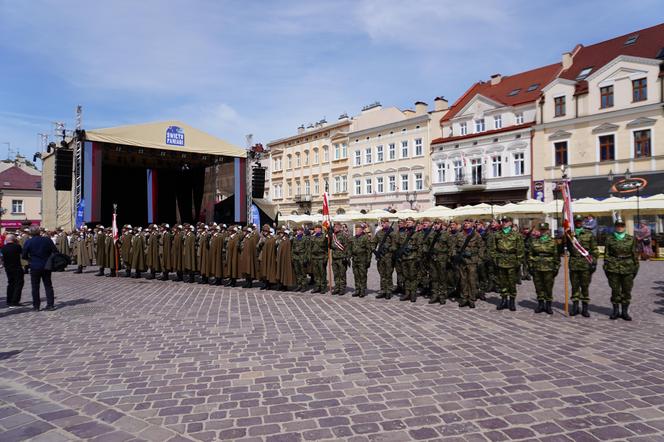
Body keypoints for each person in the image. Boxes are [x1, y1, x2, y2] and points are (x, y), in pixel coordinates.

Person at [604, 219, 639, 321]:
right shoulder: (609, 239)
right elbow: (607, 255)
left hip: (628, 267)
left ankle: (624, 312)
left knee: (627, 291)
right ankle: (615, 311)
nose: (620, 227)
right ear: (615, 226)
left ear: (625, 227)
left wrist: (635, 268)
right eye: (618, 225)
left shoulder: (631, 239)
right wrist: (607, 266)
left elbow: (634, 255)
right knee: (615, 290)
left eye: (622, 225)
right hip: (613, 267)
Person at [489, 216, 524, 311]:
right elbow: (493, 249)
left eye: (506, 221)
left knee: (512, 282)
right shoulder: (497, 234)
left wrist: (518, 261)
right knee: (502, 282)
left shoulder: (517, 235)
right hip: (501, 260)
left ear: (510, 223)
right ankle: (504, 300)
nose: (504, 223)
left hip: (512, 261)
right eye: (503, 221)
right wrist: (495, 259)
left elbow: (520, 249)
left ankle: (512, 301)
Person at [568, 214, 599, 317]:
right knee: (574, 286)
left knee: (585, 286)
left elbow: (594, 250)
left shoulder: (589, 234)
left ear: (582, 222)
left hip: (585, 264)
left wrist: (594, 262)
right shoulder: (569, 235)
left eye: (580, 221)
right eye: (576, 221)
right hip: (573, 264)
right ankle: (575, 307)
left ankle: (585, 308)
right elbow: (564, 247)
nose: (578, 223)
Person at [22, 226, 58, 311]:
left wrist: (30, 260)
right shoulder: (47, 240)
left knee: (35, 287)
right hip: (46, 265)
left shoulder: (29, 242)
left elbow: (24, 255)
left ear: (30, 233)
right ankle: (50, 305)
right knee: (48, 285)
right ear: (39, 232)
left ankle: (36, 306)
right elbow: (55, 251)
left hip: (34, 265)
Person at [528, 223, 559, 314]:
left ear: (548, 230)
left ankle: (548, 305)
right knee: (538, 286)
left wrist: (556, 267)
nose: (543, 232)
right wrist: (530, 266)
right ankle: (541, 304)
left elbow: (556, 255)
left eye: (545, 230)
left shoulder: (553, 241)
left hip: (549, 267)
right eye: (541, 230)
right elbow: (530, 254)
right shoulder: (534, 241)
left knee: (548, 287)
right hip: (537, 266)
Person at [454, 219, 484, 309]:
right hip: (462, 261)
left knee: (471, 280)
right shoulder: (459, 235)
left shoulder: (476, 235)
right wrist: (455, 255)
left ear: (472, 224)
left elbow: (481, 247)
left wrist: (479, 259)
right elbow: (453, 247)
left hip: (472, 261)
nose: (466, 224)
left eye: (468, 223)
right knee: (463, 280)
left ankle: (471, 299)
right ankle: (464, 298)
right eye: (465, 223)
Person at [373, 218, 397, 299]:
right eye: (381, 223)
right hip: (381, 257)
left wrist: (389, 248)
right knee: (382, 274)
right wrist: (375, 251)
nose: (382, 224)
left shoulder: (392, 233)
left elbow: (395, 246)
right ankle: (383, 290)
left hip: (389, 257)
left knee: (388, 274)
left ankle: (389, 291)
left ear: (388, 223)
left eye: (384, 222)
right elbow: (373, 242)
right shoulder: (379, 233)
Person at [350, 223, 372, 298]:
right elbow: (350, 249)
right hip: (355, 260)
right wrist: (348, 256)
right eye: (356, 229)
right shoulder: (353, 238)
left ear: (362, 230)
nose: (357, 231)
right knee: (356, 275)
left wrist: (369, 260)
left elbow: (369, 250)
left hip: (363, 260)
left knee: (362, 275)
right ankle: (357, 289)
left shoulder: (365, 238)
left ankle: (362, 290)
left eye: (359, 229)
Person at [2, 234, 24, 307]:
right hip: (17, 267)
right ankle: (15, 301)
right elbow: (22, 254)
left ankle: (9, 300)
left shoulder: (3, 248)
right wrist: (17, 242)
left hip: (8, 268)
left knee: (10, 283)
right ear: (14, 239)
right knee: (18, 284)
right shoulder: (17, 246)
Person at [330, 222, 350, 295]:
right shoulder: (333, 235)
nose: (334, 228)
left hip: (341, 258)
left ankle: (342, 288)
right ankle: (337, 287)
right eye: (334, 227)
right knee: (336, 274)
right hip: (334, 257)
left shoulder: (343, 235)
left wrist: (346, 257)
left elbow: (347, 246)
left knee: (342, 274)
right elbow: (331, 245)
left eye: (336, 227)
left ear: (339, 227)